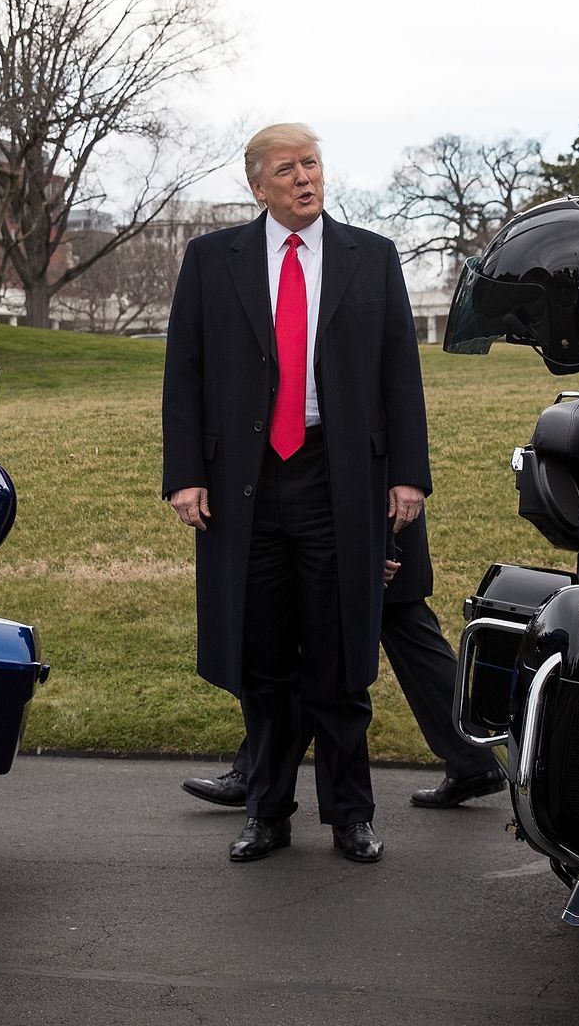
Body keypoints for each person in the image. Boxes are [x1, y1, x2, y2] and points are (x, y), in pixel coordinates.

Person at [161, 123, 430, 864]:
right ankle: (267, 811)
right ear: (258, 186)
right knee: (262, 659)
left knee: (341, 657)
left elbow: (399, 372)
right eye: (287, 169)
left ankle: (350, 814)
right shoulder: (214, 261)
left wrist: (408, 474)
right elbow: (184, 372)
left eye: (312, 164)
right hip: (244, 487)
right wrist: (184, 474)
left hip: (336, 478)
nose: (305, 179)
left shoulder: (368, 257)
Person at [180, 514, 503, 812]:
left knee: (327, 643)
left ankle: (254, 771)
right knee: (404, 631)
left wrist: (383, 541)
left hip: (364, 523)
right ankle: (473, 759)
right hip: (370, 520)